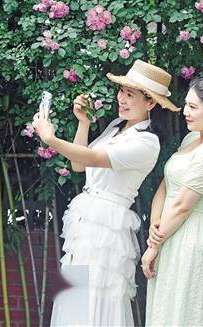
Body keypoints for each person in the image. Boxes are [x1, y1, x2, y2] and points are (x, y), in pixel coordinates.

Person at [32, 59, 180, 327]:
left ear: (150, 103)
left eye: (130, 95)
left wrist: (50, 139)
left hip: (108, 225)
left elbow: (92, 158)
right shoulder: (116, 125)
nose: (122, 99)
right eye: (122, 91)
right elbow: (78, 165)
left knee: (98, 297)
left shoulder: (147, 142)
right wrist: (84, 123)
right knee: (74, 297)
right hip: (86, 219)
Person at [142, 74, 203, 327]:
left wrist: (154, 245)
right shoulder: (190, 140)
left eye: (193, 107)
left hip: (191, 241)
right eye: (186, 104)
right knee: (163, 314)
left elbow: (183, 205)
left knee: (184, 315)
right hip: (167, 233)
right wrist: (154, 226)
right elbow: (165, 187)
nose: (185, 112)